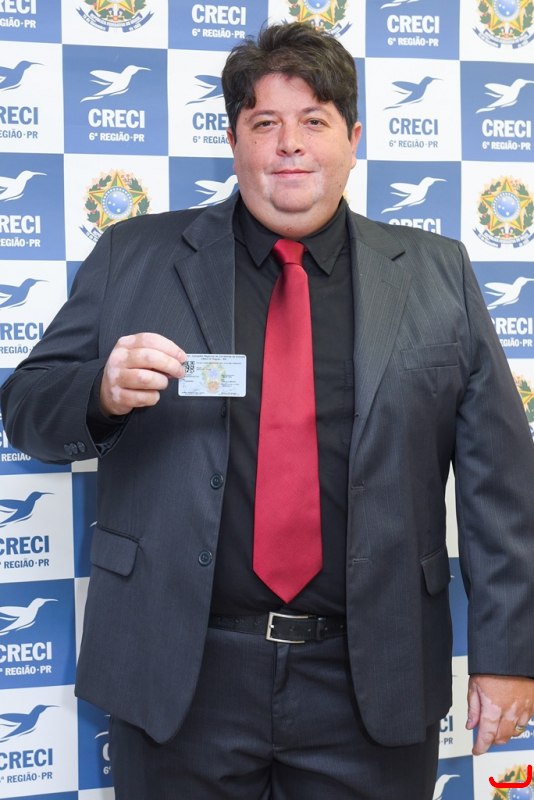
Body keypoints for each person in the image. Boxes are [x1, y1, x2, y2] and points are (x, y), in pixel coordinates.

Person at [2, 22, 534, 800]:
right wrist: (99, 392)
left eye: (314, 120)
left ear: (353, 139)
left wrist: (509, 655)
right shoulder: (134, 255)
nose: (290, 145)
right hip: (180, 674)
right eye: (264, 123)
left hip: (373, 677)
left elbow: (501, 486)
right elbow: (25, 409)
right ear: (233, 141)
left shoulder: (436, 273)